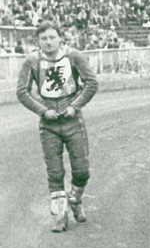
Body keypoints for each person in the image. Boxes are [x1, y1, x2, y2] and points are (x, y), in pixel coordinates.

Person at [16, 20, 98, 232]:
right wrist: (43, 110)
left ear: (61, 38)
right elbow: (22, 91)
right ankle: (60, 215)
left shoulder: (73, 56)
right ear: (38, 41)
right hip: (48, 123)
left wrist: (75, 105)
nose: (48, 42)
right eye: (44, 38)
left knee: (82, 170)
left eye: (52, 37)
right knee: (55, 171)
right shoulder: (32, 61)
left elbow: (91, 83)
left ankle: (75, 199)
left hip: (72, 120)